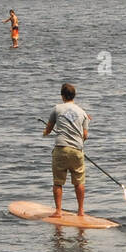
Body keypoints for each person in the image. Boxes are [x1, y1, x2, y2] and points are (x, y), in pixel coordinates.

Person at [42, 82, 88, 217]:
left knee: (58, 182)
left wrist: (44, 133)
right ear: (74, 96)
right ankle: (80, 211)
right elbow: (85, 135)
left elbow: (49, 129)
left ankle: (58, 211)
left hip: (61, 149)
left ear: (62, 96)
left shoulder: (57, 109)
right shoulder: (83, 113)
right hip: (77, 150)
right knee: (79, 182)